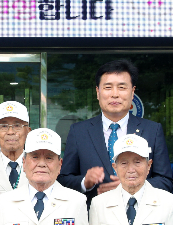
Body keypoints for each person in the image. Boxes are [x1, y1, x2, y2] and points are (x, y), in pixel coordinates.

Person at [58, 59, 173, 206]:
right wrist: (85, 182)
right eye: (108, 87)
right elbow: (63, 180)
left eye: (122, 87)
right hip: (93, 219)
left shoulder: (152, 130)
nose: (115, 94)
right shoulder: (78, 131)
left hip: (140, 217)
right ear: (98, 92)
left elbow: (166, 181)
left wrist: (133, 186)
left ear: (132, 92)